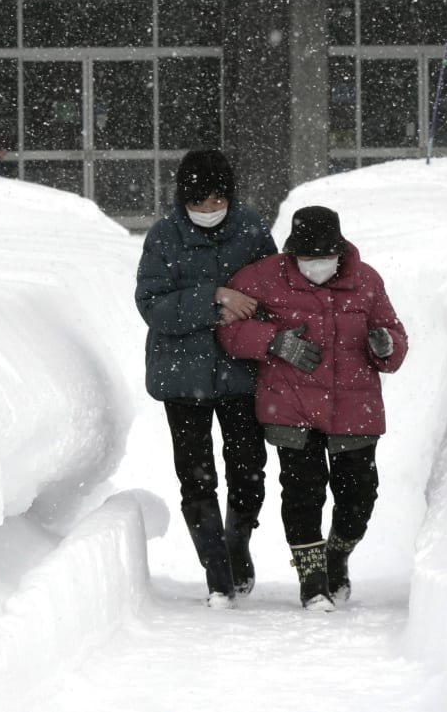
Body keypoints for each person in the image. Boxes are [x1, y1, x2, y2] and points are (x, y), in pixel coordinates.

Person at [216, 205, 408, 611]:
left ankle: (337, 555)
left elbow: (393, 334)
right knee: (303, 495)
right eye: (307, 259)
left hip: (355, 409)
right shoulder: (262, 278)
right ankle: (312, 580)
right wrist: (274, 340)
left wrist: (386, 346)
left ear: (340, 252)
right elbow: (228, 329)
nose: (316, 266)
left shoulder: (367, 281)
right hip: (291, 406)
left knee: (360, 497)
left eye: (325, 258)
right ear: (291, 254)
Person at [135, 149, 277, 607]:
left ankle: (237, 546)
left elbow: (275, 293)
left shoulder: (252, 229)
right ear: (184, 199)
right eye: (201, 203)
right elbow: (151, 303)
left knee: (248, 471)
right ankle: (216, 571)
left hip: (241, 374)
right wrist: (211, 299)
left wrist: (250, 311)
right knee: (196, 477)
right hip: (182, 375)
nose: (210, 210)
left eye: (218, 201)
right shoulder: (163, 237)